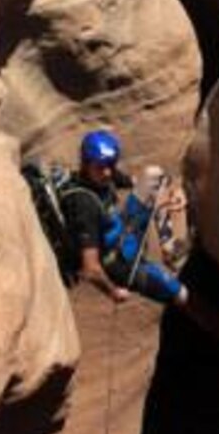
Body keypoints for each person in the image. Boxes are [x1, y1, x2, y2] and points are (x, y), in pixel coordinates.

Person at [60, 130, 187, 306]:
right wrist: (113, 292)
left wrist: (171, 193)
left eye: (110, 165)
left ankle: (169, 249)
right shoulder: (84, 205)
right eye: (100, 166)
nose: (107, 172)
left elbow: (142, 183)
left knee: (154, 174)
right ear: (85, 164)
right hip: (119, 264)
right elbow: (90, 268)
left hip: (124, 232)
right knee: (181, 294)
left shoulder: (105, 174)